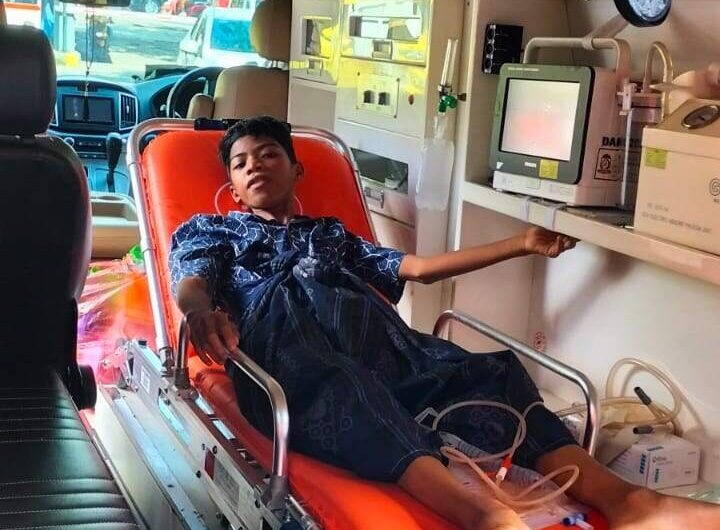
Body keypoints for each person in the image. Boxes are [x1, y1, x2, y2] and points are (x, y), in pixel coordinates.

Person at [169, 116, 719, 530]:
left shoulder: (332, 235)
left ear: (297, 170)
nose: (255, 165)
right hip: (287, 350)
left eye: (268, 154)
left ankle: (627, 500)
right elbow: (192, 280)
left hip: (378, 344)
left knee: (489, 372)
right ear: (233, 189)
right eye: (240, 163)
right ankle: (484, 517)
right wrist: (199, 312)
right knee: (345, 387)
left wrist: (521, 244)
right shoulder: (215, 232)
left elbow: (419, 269)